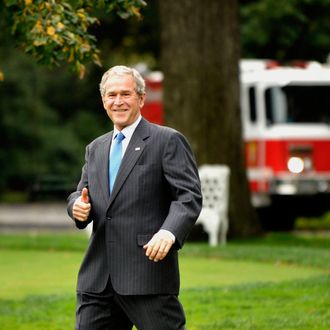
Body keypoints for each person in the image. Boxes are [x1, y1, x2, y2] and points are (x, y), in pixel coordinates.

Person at [67, 65, 202, 330]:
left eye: (126, 94)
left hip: (146, 275)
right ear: (104, 100)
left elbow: (188, 196)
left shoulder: (167, 141)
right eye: (112, 95)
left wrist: (169, 232)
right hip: (97, 279)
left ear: (141, 98)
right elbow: (80, 193)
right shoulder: (95, 148)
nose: (118, 101)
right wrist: (77, 207)